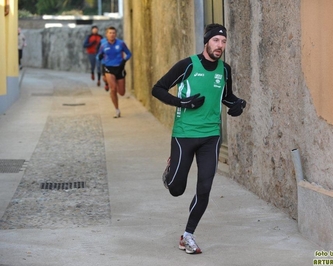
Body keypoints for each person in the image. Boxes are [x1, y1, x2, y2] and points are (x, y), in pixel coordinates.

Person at [152, 23, 247, 254]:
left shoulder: (225, 70)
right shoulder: (188, 65)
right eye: (216, 41)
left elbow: (226, 96)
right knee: (176, 188)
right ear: (207, 41)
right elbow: (158, 88)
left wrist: (237, 104)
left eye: (223, 42)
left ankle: (188, 235)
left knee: (204, 188)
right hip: (184, 134)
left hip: (211, 136)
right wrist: (182, 102)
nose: (220, 46)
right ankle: (171, 169)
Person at [97, 26, 132, 118]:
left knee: (121, 92)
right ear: (106, 34)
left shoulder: (121, 44)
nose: (112, 35)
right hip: (108, 68)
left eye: (113, 33)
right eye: (110, 33)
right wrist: (100, 58)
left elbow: (129, 53)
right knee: (113, 89)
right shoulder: (103, 45)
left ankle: (113, 82)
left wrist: (124, 60)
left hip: (119, 68)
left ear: (115, 34)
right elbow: (98, 56)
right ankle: (117, 110)